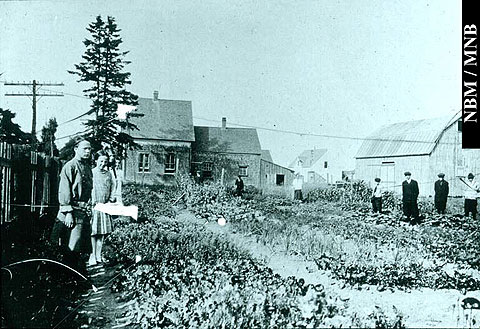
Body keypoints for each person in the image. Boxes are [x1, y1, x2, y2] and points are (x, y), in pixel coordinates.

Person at [51, 139, 93, 272]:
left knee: (82, 247)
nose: (87, 151)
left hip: (82, 212)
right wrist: (68, 212)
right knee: (71, 247)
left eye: (89, 149)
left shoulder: (87, 167)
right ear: (76, 149)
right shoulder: (70, 166)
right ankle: (69, 279)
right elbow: (64, 190)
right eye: (84, 148)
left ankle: (79, 276)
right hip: (71, 212)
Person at [89, 152, 115, 266]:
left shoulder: (108, 174)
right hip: (94, 206)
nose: (103, 163)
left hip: (104, 206)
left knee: (102, 233)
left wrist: (110, 199)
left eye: (105, 161)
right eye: (101, 161)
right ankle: (92, 256)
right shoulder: (91, 173)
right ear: (96, 161)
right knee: (93, 232)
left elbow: (113, 187)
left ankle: (99, 255)